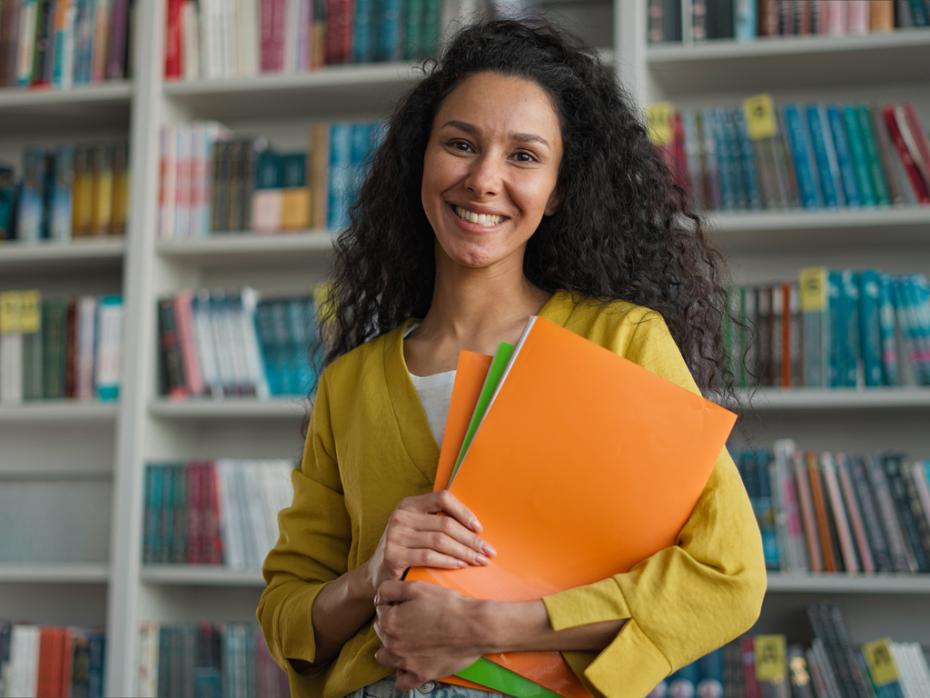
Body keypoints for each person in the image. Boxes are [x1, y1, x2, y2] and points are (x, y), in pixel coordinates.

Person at [257, 17, 766, 698]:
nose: (484, 179)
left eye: (524, 155)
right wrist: (369, 576)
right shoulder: (350, 383)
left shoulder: (622, 341)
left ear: (558, 189)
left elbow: (726, 577)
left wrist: (486, 625)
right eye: (460, 144)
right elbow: (286, 611)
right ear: (422, 161)